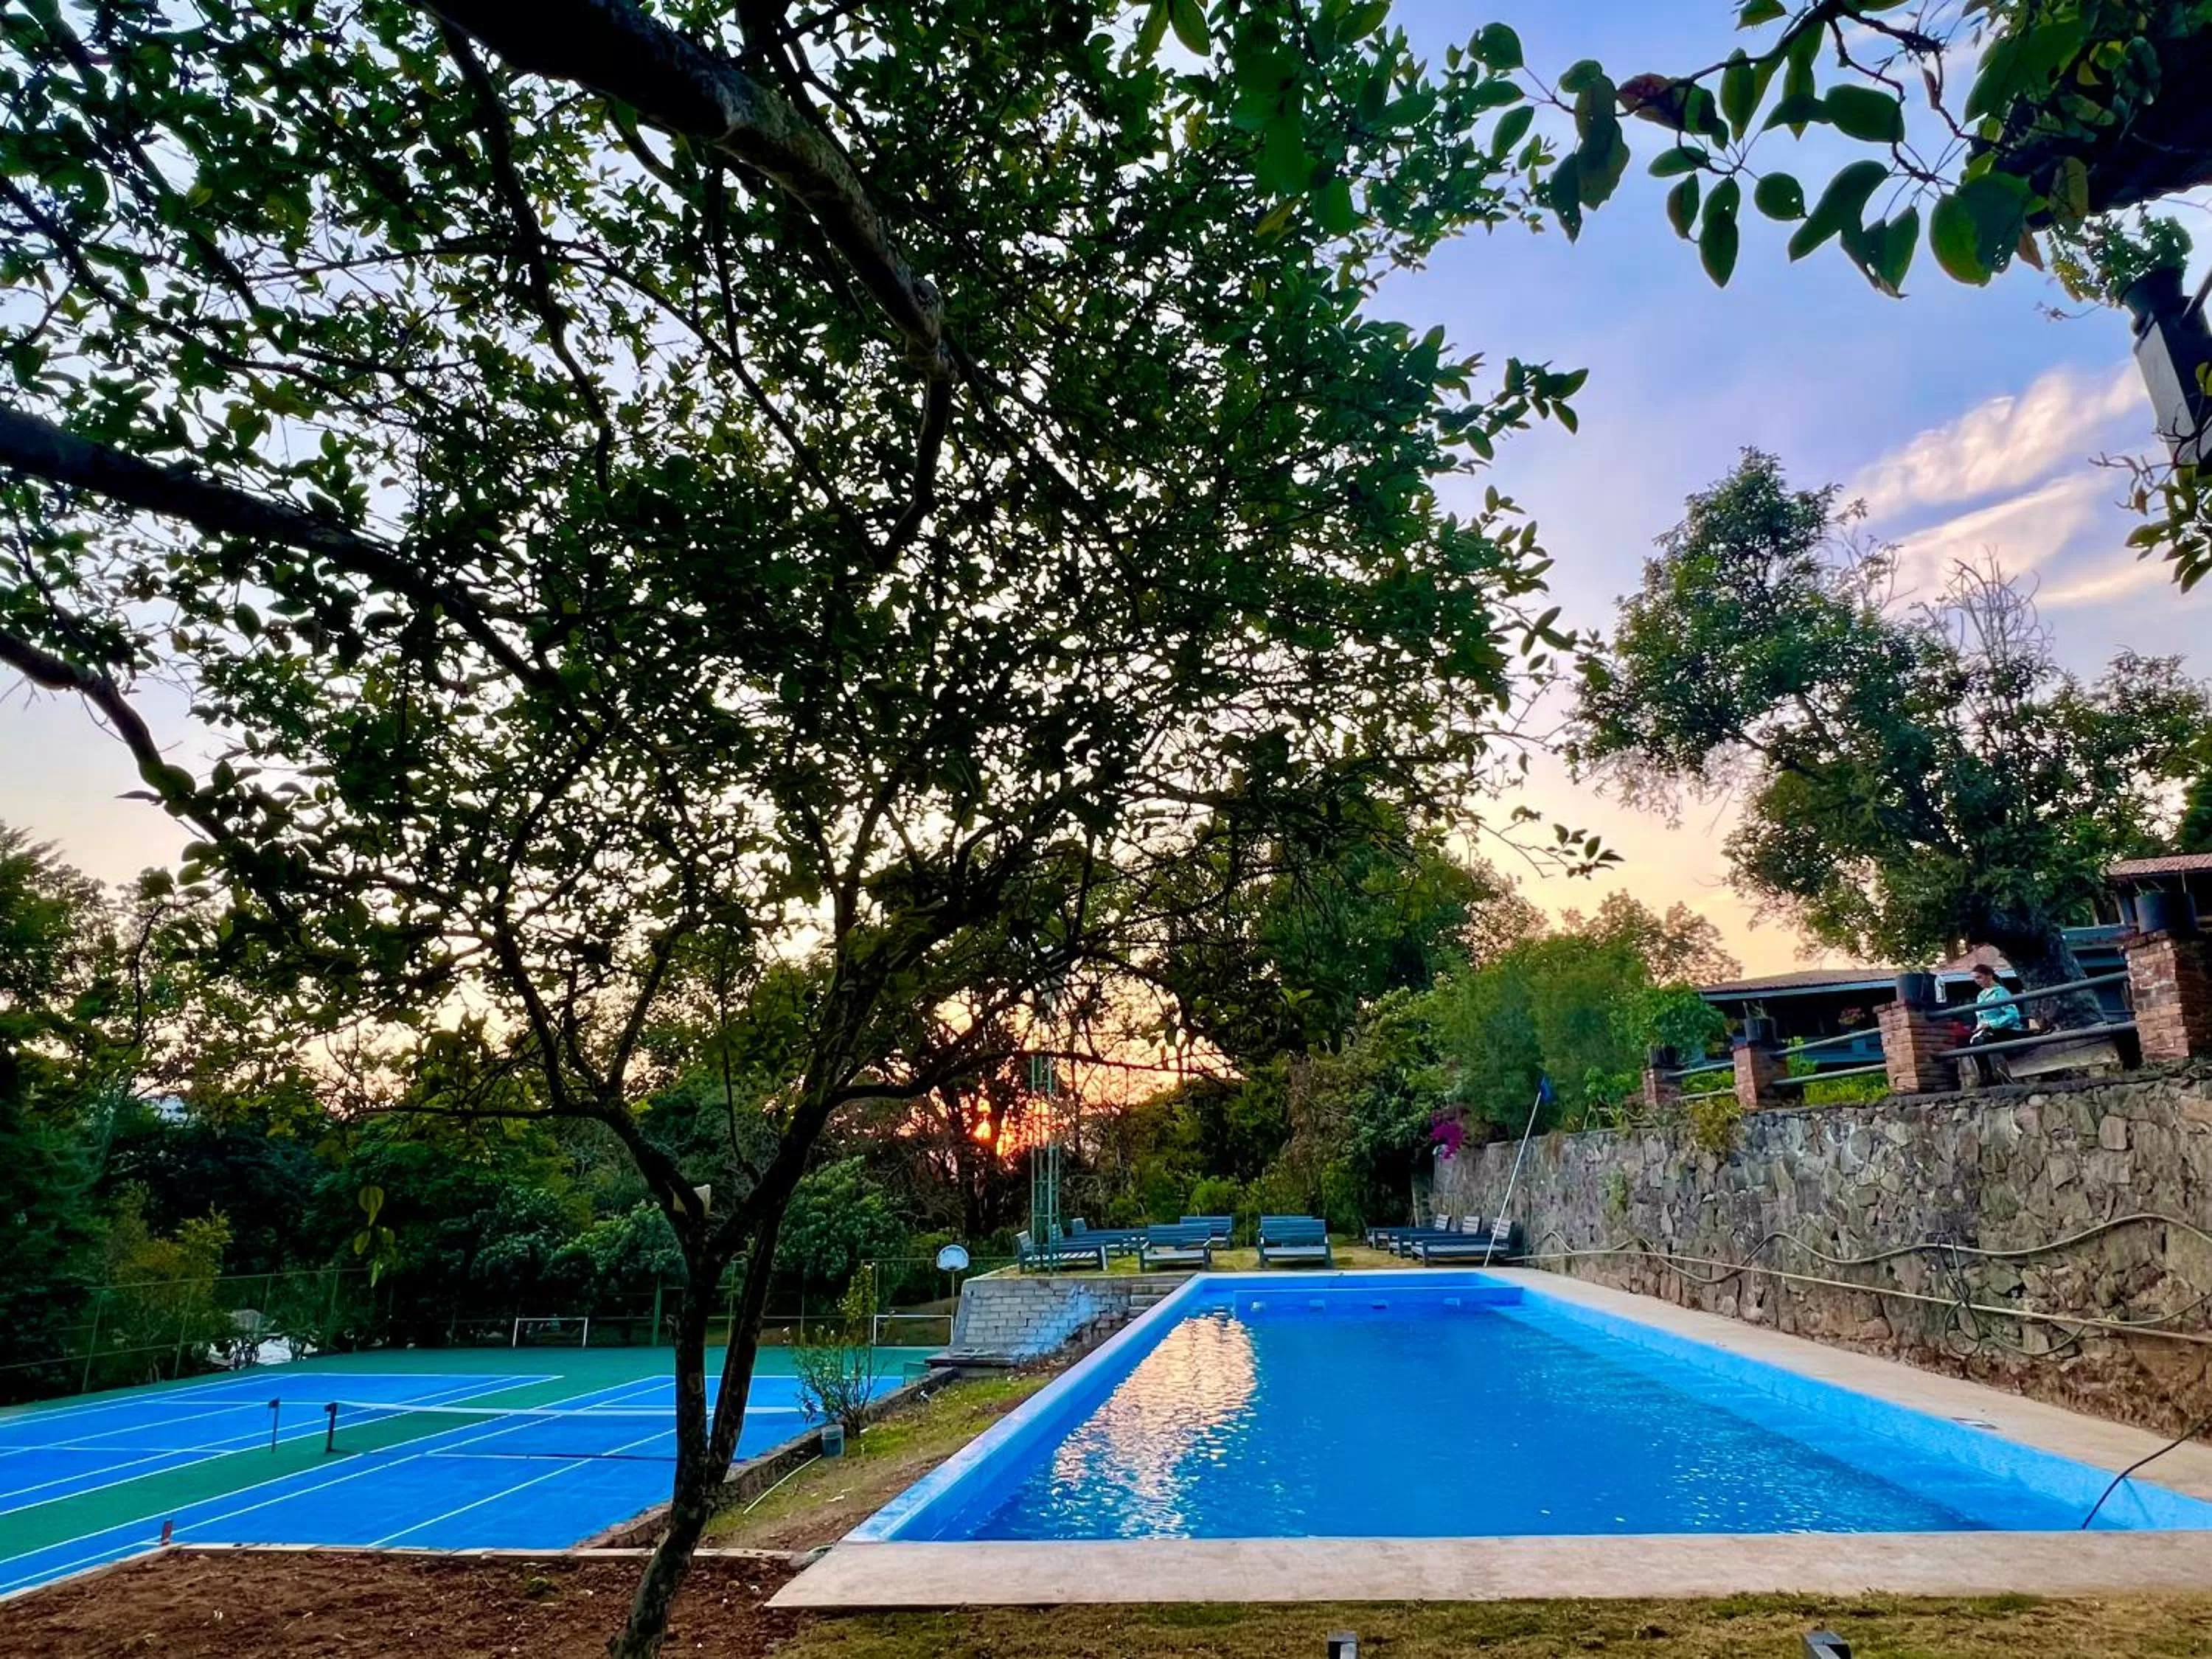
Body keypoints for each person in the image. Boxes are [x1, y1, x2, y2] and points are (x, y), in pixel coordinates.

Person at [1965, 962, 2023, 1085]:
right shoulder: (1981, 996)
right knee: (1973, 1042)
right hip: (1986, 1029)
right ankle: (1985, 1073)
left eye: (1979, 977)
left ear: (1989, 976)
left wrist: (1992, 1024)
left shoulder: (2000, 993)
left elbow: (2013, 1015)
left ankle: (1988, 1075)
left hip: (2006, 1028)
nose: (1977, 981)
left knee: (1981, 1041)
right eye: (1975, 979)